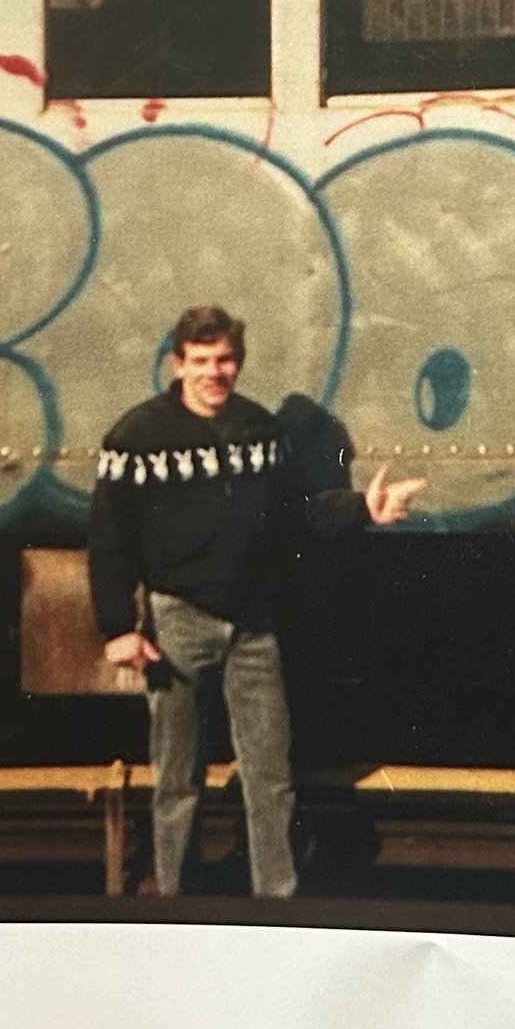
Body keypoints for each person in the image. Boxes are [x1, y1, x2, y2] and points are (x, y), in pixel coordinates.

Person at [88, 304, 424, 898]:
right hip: (177, 620)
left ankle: (276, 900)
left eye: (224, 360)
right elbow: (110, 535)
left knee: (271, 774)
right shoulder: (137, 437)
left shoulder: (260, 431)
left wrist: (362, 510)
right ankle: (173, 895)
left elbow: (296, 515)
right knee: (177, 776)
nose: (212, 373)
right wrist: (118, 626)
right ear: (177, 363)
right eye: (200, 361)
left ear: (238, 364)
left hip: (252, 626)